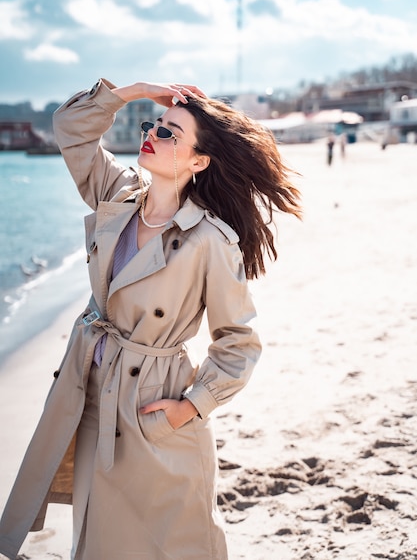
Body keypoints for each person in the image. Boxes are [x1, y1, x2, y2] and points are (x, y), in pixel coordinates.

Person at [0, 78, 302, 560]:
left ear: (199, 161)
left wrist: (190, 406)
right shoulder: (118, 196)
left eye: (169, 134)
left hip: (155, 405)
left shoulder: (210, 240)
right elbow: (70, 129)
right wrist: (132, 91)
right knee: (98, 538)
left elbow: (238, 344)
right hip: (90, 389)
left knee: (173, 542)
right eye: (153, 124)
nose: (152, 134)